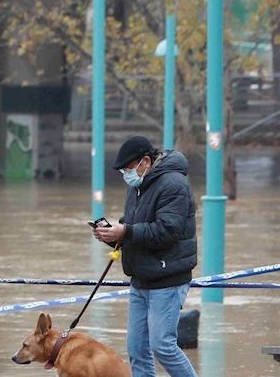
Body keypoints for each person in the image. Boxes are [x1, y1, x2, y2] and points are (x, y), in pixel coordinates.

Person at [93, 135, 198, 377]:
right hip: (140, 278)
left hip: (167, 278)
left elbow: (167, 231)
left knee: (162, 346)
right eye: (123, 171)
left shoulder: (174, 184)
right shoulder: (137, 186)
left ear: (146, 162)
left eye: (129, 168)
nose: (126, 175)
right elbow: (133, 226)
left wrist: (125, 231)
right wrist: (112, 234)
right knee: (137, 349)